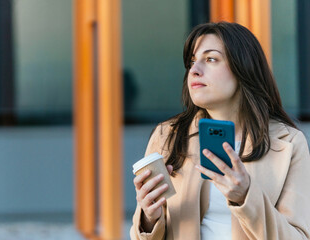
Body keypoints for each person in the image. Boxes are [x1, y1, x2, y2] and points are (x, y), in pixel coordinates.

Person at [130, 22, 310, 240]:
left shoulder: (289, 143)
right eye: (192, 62)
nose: (194, 70)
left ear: (243, 67)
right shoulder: (168, 136)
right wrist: (149, 219)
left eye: (211, 59)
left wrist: (246, 197)